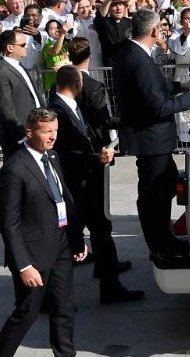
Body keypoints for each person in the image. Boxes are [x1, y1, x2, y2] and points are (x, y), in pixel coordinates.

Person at [0, 108, 87, 357]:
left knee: (64, 307)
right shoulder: (14, 170)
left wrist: (77, 241)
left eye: (55, 131)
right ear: (29, 132)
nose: (53, 136)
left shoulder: (52, 158)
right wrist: (24, 266)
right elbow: (9, 223)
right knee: (27, 312)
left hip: (61, 245)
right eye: (47, 132)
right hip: (33, 254)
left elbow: (65, 201)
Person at [112, 9, 190, 262]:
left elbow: (152, 88)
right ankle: (159, 246)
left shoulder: (129, 53)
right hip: (151, 140)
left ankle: (164, 238)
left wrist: (180, 86)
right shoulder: (138, 59)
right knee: (154, 196)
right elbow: (159, 106)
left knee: (165, 188)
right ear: (154, 31)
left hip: (152, 140)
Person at [48, 65, 142, 304]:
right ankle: (51, 293)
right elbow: (63, 153)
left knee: (98, 232)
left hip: (87, 182)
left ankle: (107, 281)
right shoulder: (58, 110)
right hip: (78, 185)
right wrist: (95, 158)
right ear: (78, 84)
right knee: (77, 236)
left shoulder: (71, 106)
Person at [0, 29, 45, 158]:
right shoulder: (0, 72)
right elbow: (5, 108)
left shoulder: (18, 65)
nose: (26, 48)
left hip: (33, 129)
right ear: (10, 47)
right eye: (22, 45)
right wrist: (21, 134)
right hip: (18, 136)